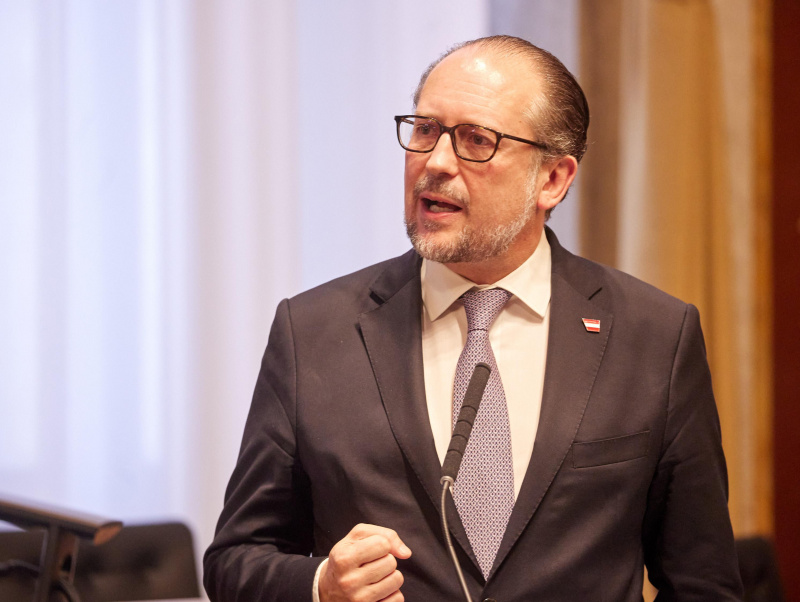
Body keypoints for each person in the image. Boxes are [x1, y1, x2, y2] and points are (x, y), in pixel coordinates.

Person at [203, 35, 744, 601]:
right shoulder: (313, 332)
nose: (435, 163)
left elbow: (702, 583)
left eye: (475, 141)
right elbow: (235, 559)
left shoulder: (655, 336)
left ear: (552, 180)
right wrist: (320, 585)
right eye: (425, 130)